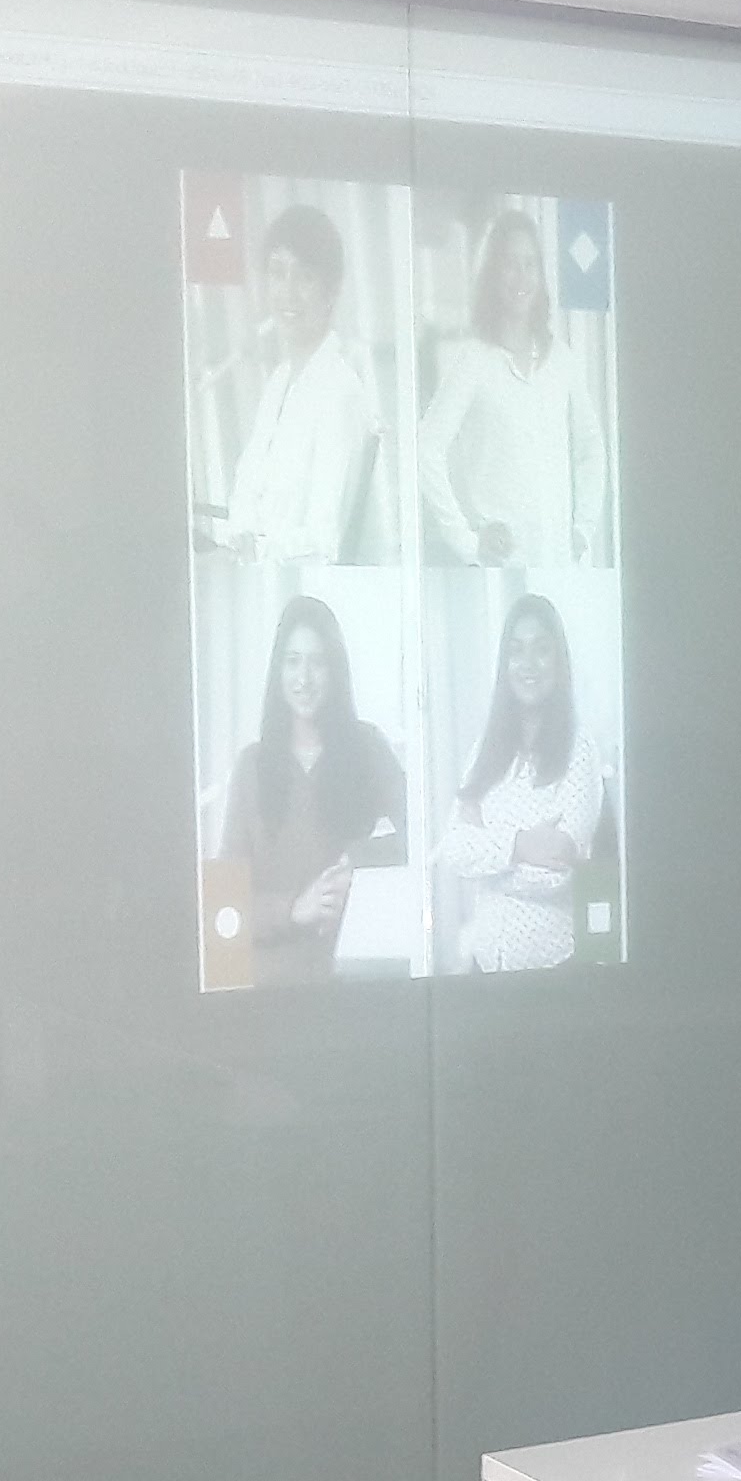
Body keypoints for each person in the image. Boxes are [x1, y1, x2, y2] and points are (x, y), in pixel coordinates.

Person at [216, 596, 407, 986]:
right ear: (278, 671)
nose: (303, 678)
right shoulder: (251, 766)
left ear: (335, 670)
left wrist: (357, 858)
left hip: (347, 980)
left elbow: (426, 835)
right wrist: (294, 909)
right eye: (293, 661)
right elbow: (224, 909)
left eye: (317, 662)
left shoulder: (366, 749)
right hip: (264, 989)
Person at [418, 208, 608, 571]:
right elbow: (426, 448)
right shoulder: (474, 360)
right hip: (501, 571)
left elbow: (591, 448)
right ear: (492, 274)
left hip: (556, 568)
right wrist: (466, 539)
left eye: (530, 264)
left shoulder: (561, 360)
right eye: (509, 264)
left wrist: (582, 529)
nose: (521, 276)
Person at [432, 594, 604, 975]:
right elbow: (453, 849)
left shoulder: (580, 749)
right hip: (484, 964)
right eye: (516, 651)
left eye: (541, 650)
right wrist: (522, 845)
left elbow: (558, 875)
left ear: (559, 661)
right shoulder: (487, 747)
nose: (528, 664)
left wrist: (486, 851)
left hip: (554, 970)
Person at [223, 206, 384, 567]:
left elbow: (323, 541)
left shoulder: (339, 392)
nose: (288, 293)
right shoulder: (279, 382)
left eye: (305, 277)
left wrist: (255, 552)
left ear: (331, 291)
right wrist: (236, 541)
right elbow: (245, 495)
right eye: (278, 273)